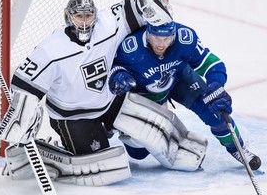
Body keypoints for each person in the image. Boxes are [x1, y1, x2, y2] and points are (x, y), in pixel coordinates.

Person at [0, 0, 175, 186]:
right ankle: (48, 156)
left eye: (88, 16)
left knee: (162, 130)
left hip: (108, 101)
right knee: (110, 168)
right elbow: (23, 84)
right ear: (69, 17)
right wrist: (25, 114)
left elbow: (135, 8)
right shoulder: (51, 49)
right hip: (74, 117)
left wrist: (151, 3)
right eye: (79, 17)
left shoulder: (107, 25)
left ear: (95, 16)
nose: (84, 22)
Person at [108, 19, 262, 171]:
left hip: (179, 79)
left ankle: (237, 149)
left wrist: (216, 85)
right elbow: (113, 67)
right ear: (148, 33)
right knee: (138, 153)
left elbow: (212, 64)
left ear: (174, 34)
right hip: (145, 92)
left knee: (215, 112)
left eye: (167, 38)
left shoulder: (185, 39)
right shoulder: (131, 47)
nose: (161, 44)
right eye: (156, 38)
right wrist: (119, 75)